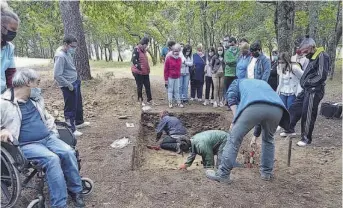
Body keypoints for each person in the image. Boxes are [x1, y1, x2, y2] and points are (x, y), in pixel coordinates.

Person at [0, 68, 85, 208]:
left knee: (68, 152)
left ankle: (76, 191)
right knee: (52, 159)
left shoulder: (35, 99)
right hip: (25, 145)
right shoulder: (4, 103)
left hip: (48, 138)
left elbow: (47, 118)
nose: (39, 86)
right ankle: (59, 204)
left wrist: (53, 133)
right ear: (28, 83)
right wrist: (2, 130)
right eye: (37, 82)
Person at [206, 79, 290, 183]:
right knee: (269, 140)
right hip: (277, 108)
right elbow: (263, 113)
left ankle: (223, 173)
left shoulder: (237, 82)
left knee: (234, 139)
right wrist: (255, 135)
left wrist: (235, 119)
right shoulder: (262, 83)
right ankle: (266, 173)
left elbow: (231, 98)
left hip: (253, 106)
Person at [281, 37, 330, 147]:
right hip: (306, 89)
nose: (304, 54)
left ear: (312, 47)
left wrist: (308, 82)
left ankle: (306, 138)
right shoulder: (312, 56)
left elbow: (321, 75)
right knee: (295, 107)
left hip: (315, 90)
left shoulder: (322, 55)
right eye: (303, 52)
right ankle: (289, 128)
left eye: (306, 52)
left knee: (308, 113)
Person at [54, 35, 90, 137]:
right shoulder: (60, 56)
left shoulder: (67, 52)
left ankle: (79, 122)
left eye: (75, 46)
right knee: (70, 107)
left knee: (78, 104)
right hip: (68, 85)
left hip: (75, 81)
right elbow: (57, 75)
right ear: (65, 44)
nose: (74, 49)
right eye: (72, 46)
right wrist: (68, 85)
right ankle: (71, 129)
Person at [246, 41, 271, 146]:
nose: (252, 53)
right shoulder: (251, 59)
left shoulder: (265, 61)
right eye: (251, 51)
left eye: (254, 51)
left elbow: (265, 75)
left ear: (259, 50)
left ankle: (255, 136)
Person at [1, 2, 19, 94]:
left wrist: (12, 93)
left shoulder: (9, 48)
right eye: (12, 29)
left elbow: (10, 73)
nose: (14, 33)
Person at [164, 43, 183, 108]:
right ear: (172, 51)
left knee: (177, 90)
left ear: (179, 51)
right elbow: (165, 70)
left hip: (177, 77)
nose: (176, 52)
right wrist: (166, 79)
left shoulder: (180, 59)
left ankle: (178, 102)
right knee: (170, 90)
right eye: (175, 51)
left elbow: (179, 68)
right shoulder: (169, 58)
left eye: (177, 51)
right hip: (170, 77)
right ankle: (170, 103)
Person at [224, 37, 240, 103]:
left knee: (236, 89)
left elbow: (239, 60)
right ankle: (228, 103)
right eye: (230, 45)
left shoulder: (239, 51)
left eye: (232, 45)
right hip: (228, 73)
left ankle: (236, 102)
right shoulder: (227, 52)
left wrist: (231, 62)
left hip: (237, 73)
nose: (231, 46)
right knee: (228, 89)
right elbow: (227, 62)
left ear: (235, 43)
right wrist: (235, 61)